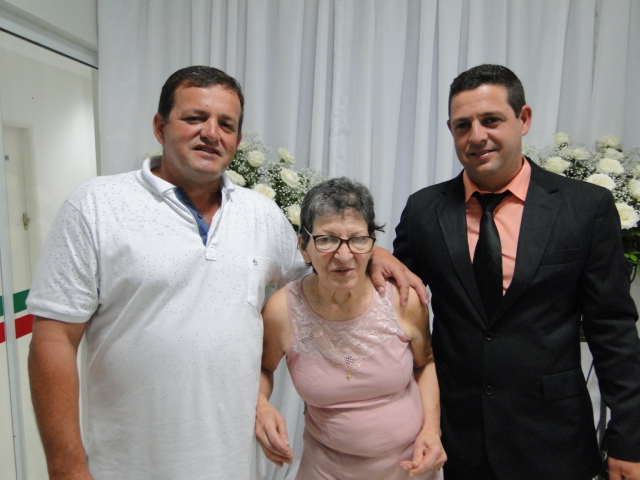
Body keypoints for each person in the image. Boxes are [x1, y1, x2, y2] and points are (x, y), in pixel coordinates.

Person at [26, 66, 425, 480]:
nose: (211, 133)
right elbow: (54, 340)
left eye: (226, 124)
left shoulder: (260, 214)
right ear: (160, 127)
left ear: (236, 139)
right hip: (129, 463)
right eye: (195, 118)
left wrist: (370, 252)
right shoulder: (97, 205)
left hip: (234, 460)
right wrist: (66, 468)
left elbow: (319, 273)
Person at [393, 64, 640, 480]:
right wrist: (375, 257)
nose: (476, 136)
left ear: (523, 119)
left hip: (554, 440)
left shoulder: (585, 207)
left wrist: (629, 439)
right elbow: (393, 305)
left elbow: (613, 329)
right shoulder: (424, 210)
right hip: (460, 440)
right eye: (462, 125)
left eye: (491, 120)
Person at [255, 177, 447, 480]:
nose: (344, 256)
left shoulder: (403, 300)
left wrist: (432, 431)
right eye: (326, 240)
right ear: (304, 247)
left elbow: (426, 364)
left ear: (371, 243)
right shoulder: (282, 310)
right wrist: (261, 406)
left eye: (357, 239)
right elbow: (263, 369)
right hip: (324, 469)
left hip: (409, 468)